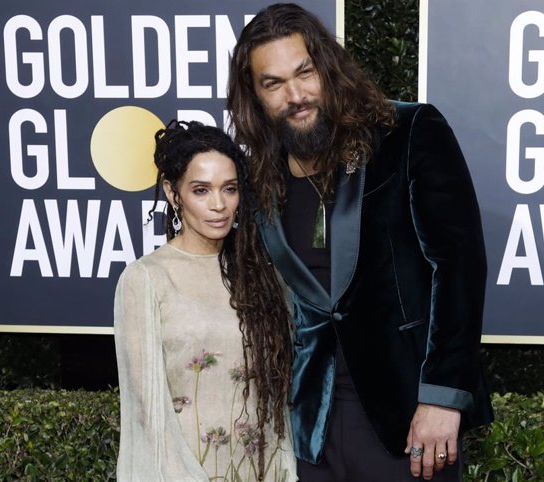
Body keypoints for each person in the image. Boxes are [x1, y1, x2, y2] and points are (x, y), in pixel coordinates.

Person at [227, 3, 493, 481]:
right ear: (256, 96)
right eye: (274, 84)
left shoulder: (407, 133)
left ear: (326, 67)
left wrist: (442, 396)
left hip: (407, 422)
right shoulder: (258, 180)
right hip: (309, 428)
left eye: (304, 72)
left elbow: (459, 267)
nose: (295, 94)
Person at [114, 120, 297, 481]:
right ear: (172, 193)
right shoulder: (146, 279)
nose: (219, 205)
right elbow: (150, 413)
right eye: (201, 190)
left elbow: (279, 397)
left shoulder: (262, 274)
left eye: (229, 189)